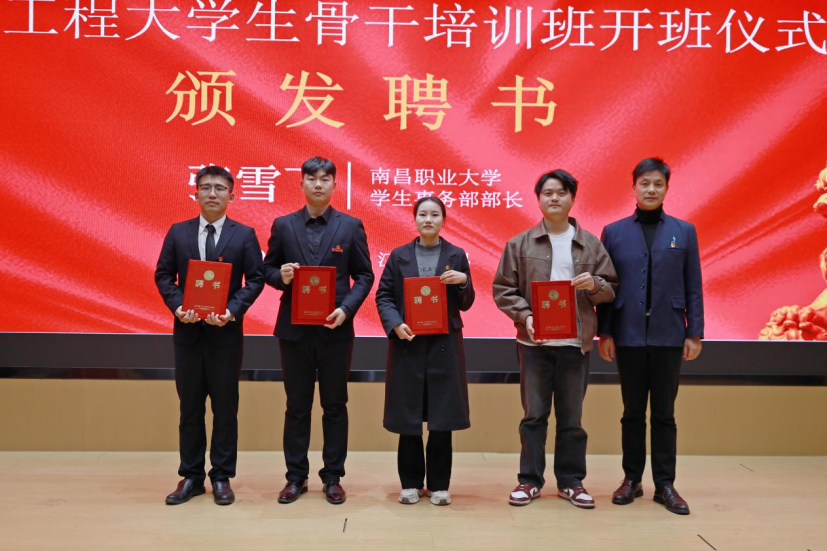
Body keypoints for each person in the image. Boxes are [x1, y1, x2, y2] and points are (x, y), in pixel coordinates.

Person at [493, 169, 617, 509]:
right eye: (547, 192)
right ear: (538, 199)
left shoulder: (591, 244)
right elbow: (503, 289)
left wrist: (595, 285)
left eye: (561, 192)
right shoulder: (519, 244)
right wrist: (527, 316)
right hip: (534, 345)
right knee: (533, 416)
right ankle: (529, 480)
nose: (554, 198)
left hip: (576, 345)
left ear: (572, 198)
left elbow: (611, 289)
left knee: (572, 419)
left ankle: (571, 482)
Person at [263, 156, 374, 505]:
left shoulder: (350, 226)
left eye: (325, 179)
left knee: (335, 405)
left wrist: (347, 308)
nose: (318, 184)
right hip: (294, 331)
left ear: (335, 185)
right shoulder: (283, 225)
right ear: (301, 184)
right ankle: (295, 477)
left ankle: (333, 477)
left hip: (335, 329)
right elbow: (266, 270)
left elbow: (364, 275)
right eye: (311, 178)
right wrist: (280, 277)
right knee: (297, 406)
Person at [598, 157, 704, 516]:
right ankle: (632, 479)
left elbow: (693, 285)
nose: (651, 189)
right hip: (626, 334)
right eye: (644, 183)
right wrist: (605, 332)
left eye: (658, 183)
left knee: (664, 413)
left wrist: (694, 332)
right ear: (634, 187)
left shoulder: (684, 231)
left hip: (669, 334)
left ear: (666, 188)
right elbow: (607, 287)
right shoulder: (613, 232)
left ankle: (665, 485)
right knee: (631, 412)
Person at [155, 165, 265, 506]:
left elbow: (256, 279)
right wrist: (178, 306)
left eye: (219, 188)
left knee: (224, 408)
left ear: (232, 195)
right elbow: (163, 276)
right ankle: (191, 476)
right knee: (190, 407)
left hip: (225, 335)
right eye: (206, 187)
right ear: (196, 193)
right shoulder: (178, 232)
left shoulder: (244, 235)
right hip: (188, 334)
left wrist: (231, 310)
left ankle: (221, 476)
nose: (212, 193)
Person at [375, 196, 475, 506]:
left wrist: (463, 281)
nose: (428, 219)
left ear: (444, 219)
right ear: (415, 219)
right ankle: (410, 483)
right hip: (409, 343)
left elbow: (466, 303)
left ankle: (439, 485)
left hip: (444, 346)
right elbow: (384, 296)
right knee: (409, 418)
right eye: (422, 214)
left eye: (434, 214)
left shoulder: (456, 255)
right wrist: (395, 324)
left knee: (442, 418)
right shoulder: (399, 256)